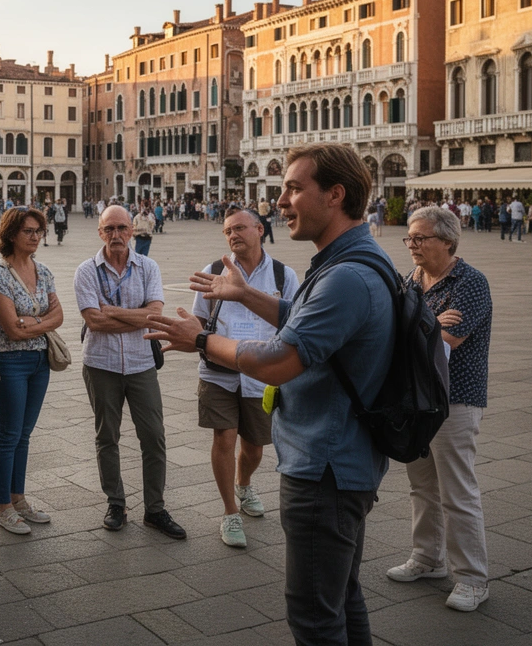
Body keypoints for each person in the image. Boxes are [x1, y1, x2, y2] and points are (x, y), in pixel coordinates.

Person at [147, 143, 394, 645]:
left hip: (324, 467)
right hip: (343, 459)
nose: (280, 202)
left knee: (314, 616)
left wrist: (198, 339)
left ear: (336, 195)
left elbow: (279, 362)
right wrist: (242, 294)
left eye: (294, 188)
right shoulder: (346, 262)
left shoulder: (345, 276)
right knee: (342, 598)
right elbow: (301, 320)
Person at [385, 206, 493, 612]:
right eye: (409, 238)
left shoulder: (471, 282)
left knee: (457, 491)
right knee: (422, 486)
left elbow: (448, 341)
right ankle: (427, 558)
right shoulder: (410, 279)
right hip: (415, 398)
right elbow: (393, 330)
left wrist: (418, 326)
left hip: (456, 398)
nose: (411, 245)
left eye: (420, 238)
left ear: (447, 241)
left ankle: (472, 579)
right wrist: (427, 321)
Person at [73, 206, 185, 539]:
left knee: (153, 436)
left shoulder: (148, 267)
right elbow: (94, 321)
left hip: (141, 364)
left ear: (132, 230)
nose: (116, 234)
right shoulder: (86, 271)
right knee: (107, 436)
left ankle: (155, 509)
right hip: (100, 364)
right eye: (109, 229)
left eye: (122, 227)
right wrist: (134, 316)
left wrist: (114, 312)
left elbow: (154, 316)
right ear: (100, 232)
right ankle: (116, 503)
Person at [190, 208, 299, 548]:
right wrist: (190, 335)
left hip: (261, 374)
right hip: (219, 371)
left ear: (260, 229)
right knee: (224, 437)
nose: (232, 235)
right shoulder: (213, 271)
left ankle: (244, 483)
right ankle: (229, 512)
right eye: (227, 231)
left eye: (239, 228)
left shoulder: (283, 275)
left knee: (254, 447)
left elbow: (294, 322)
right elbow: (198, 319)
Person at [0, 207, 62, 535]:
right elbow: (10, 330)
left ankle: (19, 499)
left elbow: (59, 316)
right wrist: (39, 324)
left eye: (38, 231)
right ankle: (3, 506)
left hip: (40, 361)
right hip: (10, 361)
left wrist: (32, 323)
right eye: (28, 231)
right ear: (12, 234)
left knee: (25, 434)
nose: (34, 237)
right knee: (9, 433)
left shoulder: (42, 270)